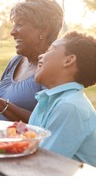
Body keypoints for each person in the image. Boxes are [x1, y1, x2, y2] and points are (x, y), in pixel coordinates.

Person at [0, 0, 64, 122]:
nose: (12, 32)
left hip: (20, 142)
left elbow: (45, 123)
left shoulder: (53, 70)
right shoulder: (16, 61)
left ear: (43, 30)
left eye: (20, 24)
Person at [29, 31, 96, 166]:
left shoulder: (71, 106)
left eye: (50, 49)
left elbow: (44, 165)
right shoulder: (48, 99)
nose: (41, 55)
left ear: (68, 60)